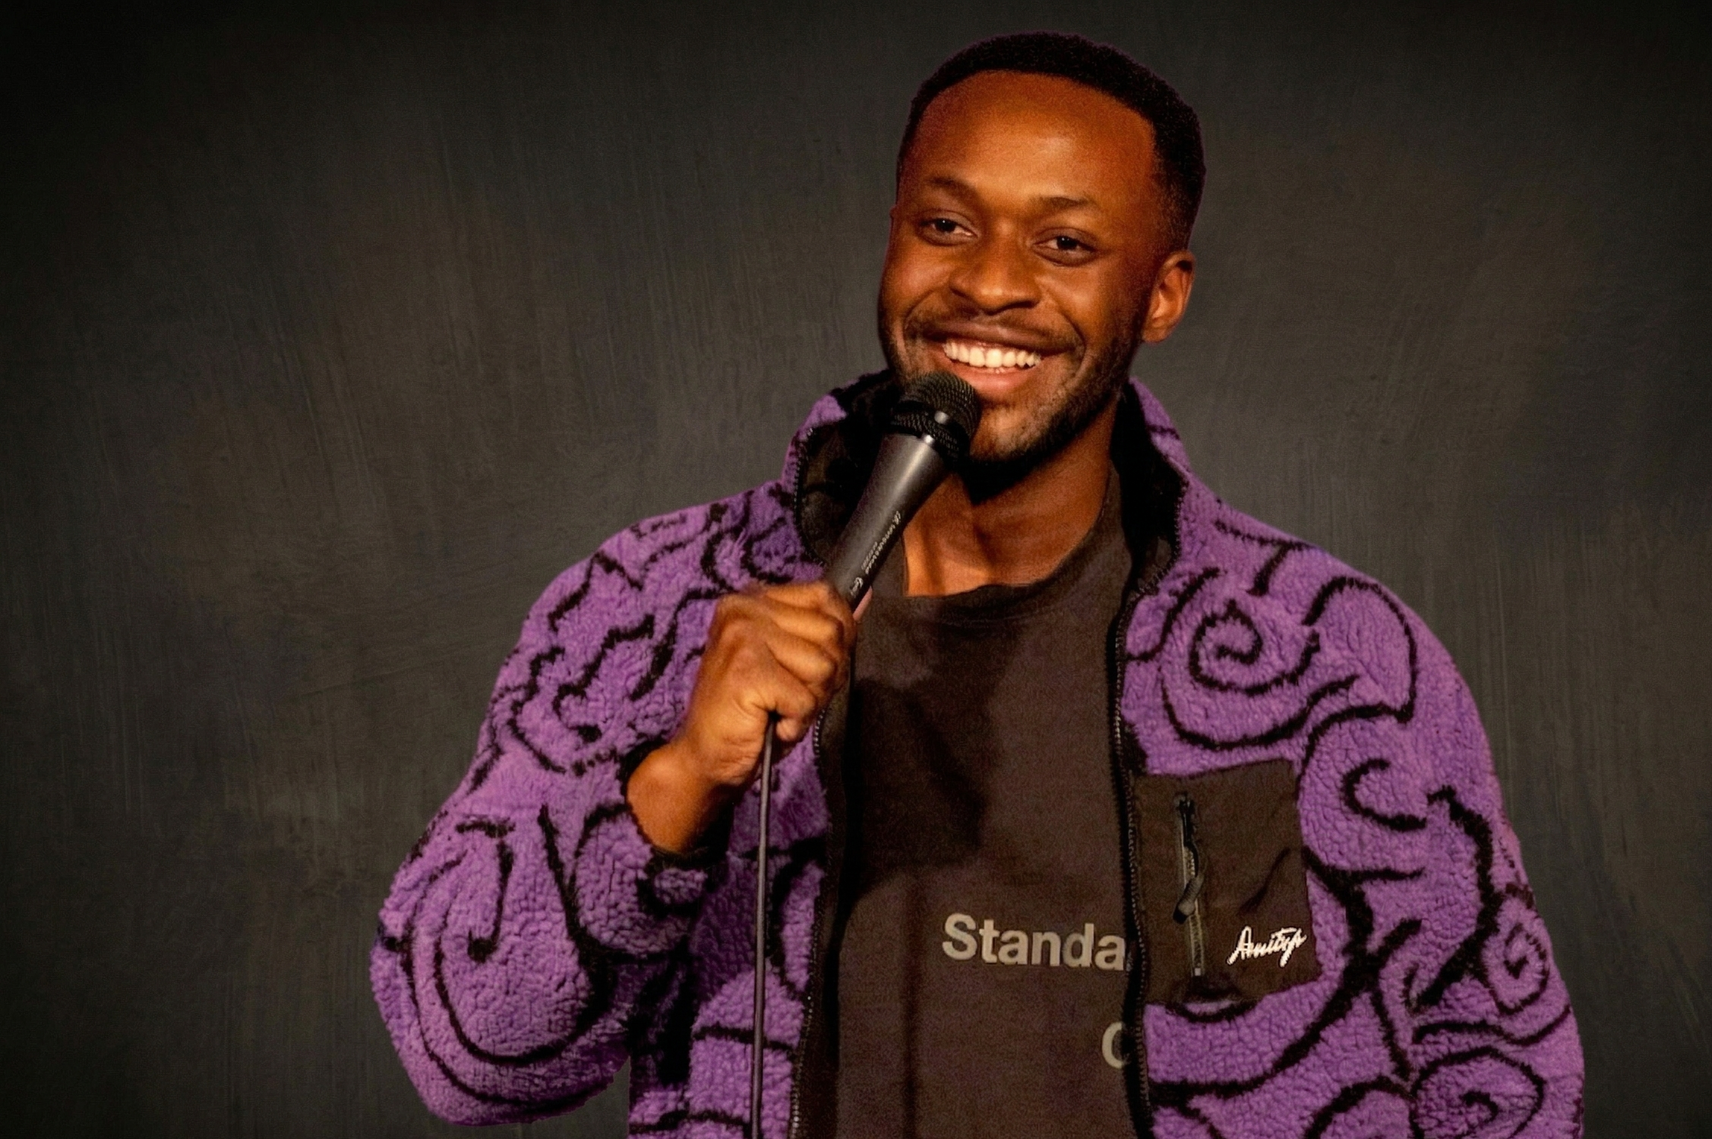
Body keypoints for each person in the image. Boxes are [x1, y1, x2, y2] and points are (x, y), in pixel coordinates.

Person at [371, 31, 1583, 1138]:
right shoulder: (651, 603)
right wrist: (680, 779)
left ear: (1160, 292)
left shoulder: (1323, 653)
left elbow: (1501, 1066)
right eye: (946, 227)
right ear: (892, 235)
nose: (990, 284)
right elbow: (467, 1055)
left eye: (1064, 243)